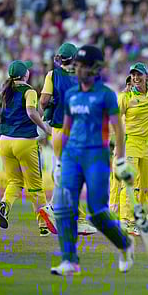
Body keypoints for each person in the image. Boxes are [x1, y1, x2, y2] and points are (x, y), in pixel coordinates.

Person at [50, 45, 135, 276]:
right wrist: (59, 160)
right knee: (64, 208)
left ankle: (125, 245)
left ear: (96, 68)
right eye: (77, 65)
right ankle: (69, 260)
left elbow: (118, 128)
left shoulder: (106, 94)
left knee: (97, 212)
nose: (79, 70)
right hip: (71, 155)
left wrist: (119, 160)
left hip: (96, 155)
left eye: (84, 66)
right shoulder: (71, 94)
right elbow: (66, 129)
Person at [40, 42, 97, 236]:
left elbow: (43, 101)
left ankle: (63, 213)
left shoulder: (52, 75)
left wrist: (54, 102)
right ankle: (58, 210)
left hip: (57, 130)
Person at [0, 60, 53, 236]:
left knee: (14, 182)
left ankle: (5, 205)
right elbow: (31, 112)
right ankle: (43, 225)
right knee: (35, 186)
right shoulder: (29, 91)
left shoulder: (4, 92)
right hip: (24, 142)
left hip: (4, 141)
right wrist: (46, 128)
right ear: (25, 74)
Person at [118, 62, 148, 236]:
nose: (136, 78)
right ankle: (126, 220)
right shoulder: (125, 96)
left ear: (146, 76)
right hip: (131, 142)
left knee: (144, 185)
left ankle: (138, 218)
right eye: (133, 75)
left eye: (139, 75)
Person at [109, 75, 132, 215]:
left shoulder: (139, 100)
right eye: (128, 83)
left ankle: (127, 212)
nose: (130, 86)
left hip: (134, 145)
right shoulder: (122, 99)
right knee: (116, 179)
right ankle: (113, 209)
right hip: (121, 144)